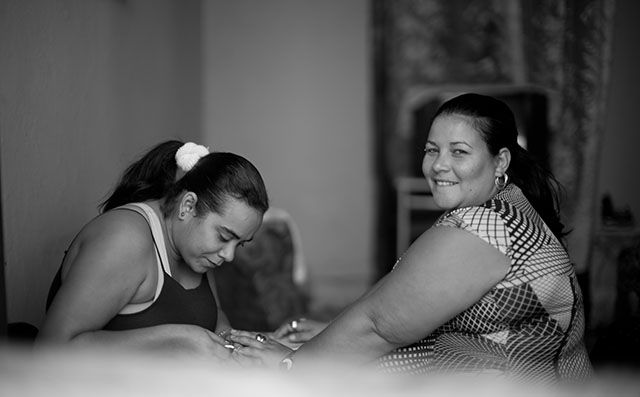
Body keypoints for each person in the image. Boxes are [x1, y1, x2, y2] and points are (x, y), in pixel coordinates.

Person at [230, 93, 593, 382]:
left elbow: (380, 326)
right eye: (432, 150)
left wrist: (291, 365)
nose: (438, 165)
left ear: (500, 161)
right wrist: (331, 333)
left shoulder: (485, 229)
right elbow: (405, 298)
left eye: (459, 152)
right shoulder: (505, 210)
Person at [38, 140, 269, 360]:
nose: (229, 255)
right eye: (224, 236)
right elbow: (51, 349)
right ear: (188, 206)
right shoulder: (124, 239)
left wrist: (233, 343)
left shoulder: (195, 249)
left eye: (239, 244)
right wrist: (179, 340)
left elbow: (212, 314)